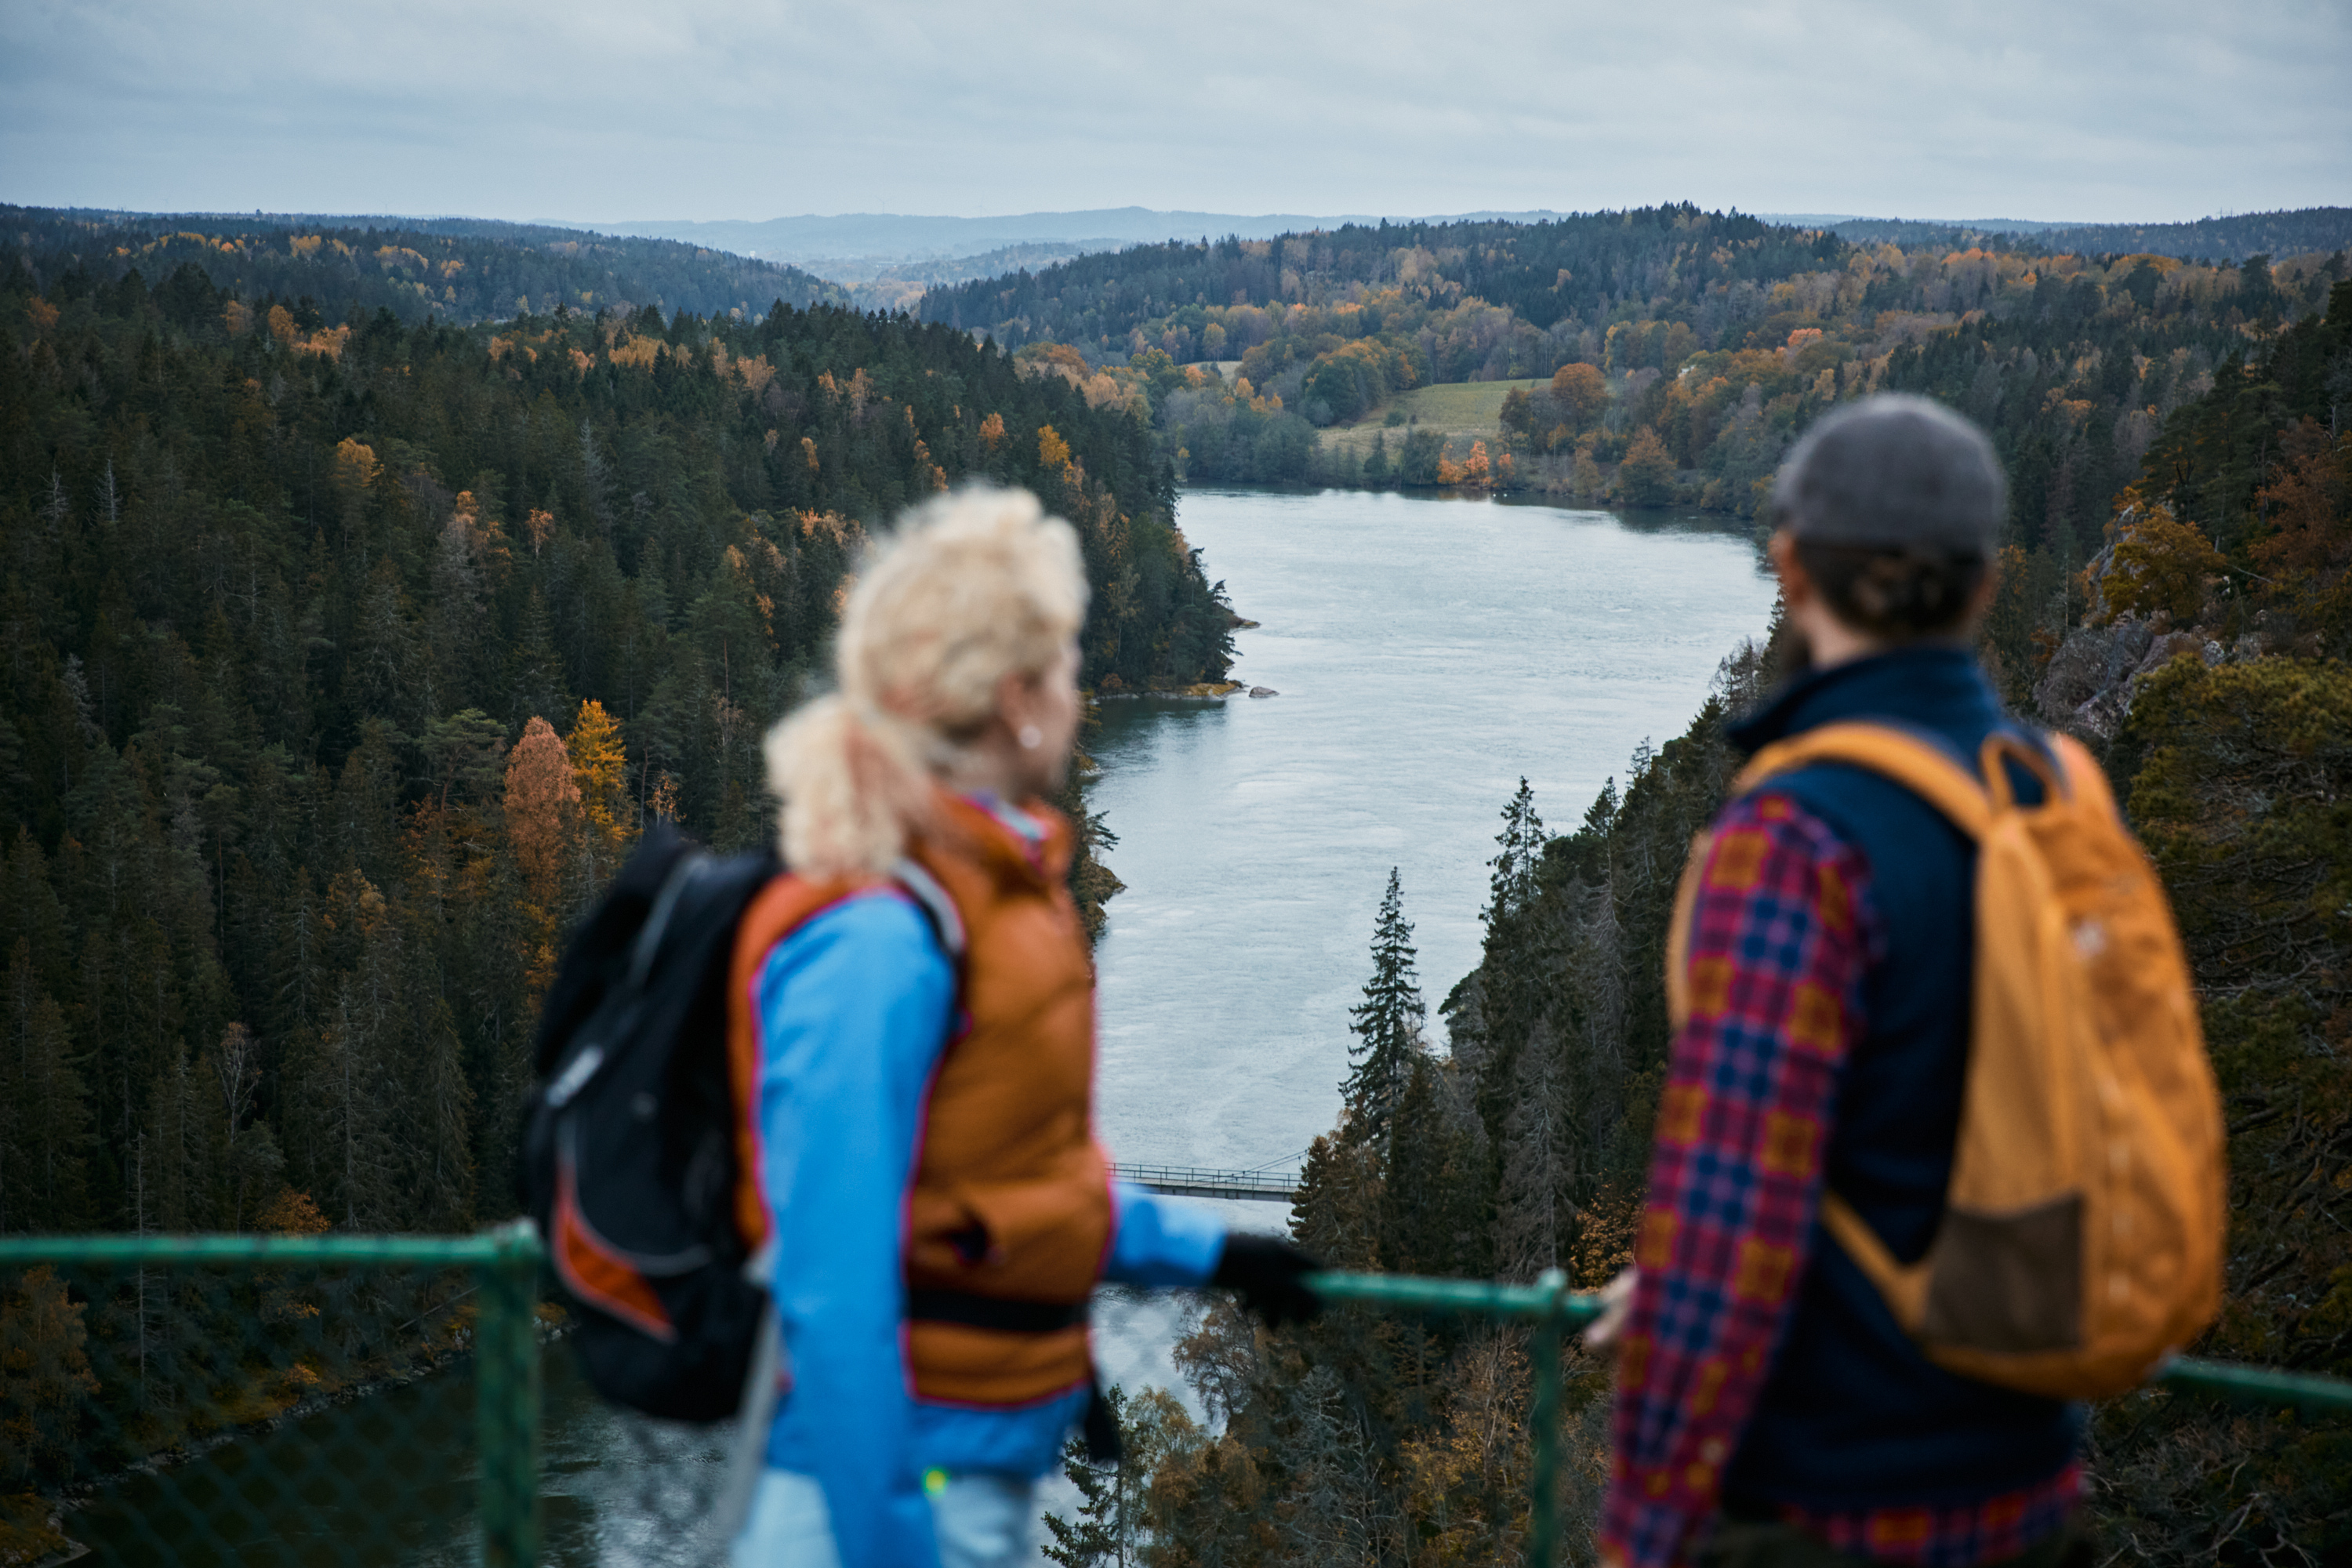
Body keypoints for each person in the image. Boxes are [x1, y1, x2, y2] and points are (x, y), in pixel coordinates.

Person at [727, 487, 1319, 1568]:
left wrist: (1207, 1252)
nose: (1080, 689)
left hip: (968, 1475)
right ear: (1013, 699)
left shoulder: (1005, 897)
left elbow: (1011, 1182)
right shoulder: (882, 934)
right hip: (888, 1505)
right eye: (1064, 665)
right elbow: (833, 1284)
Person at [1588, 397, 2088, 1567]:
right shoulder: (2052, 794)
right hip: (2031, 1491)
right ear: (1984, 584)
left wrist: (1640, 1535)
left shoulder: (1801, 839)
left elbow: (1733, 1224)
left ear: (1792, 570)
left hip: (1837, 1507)